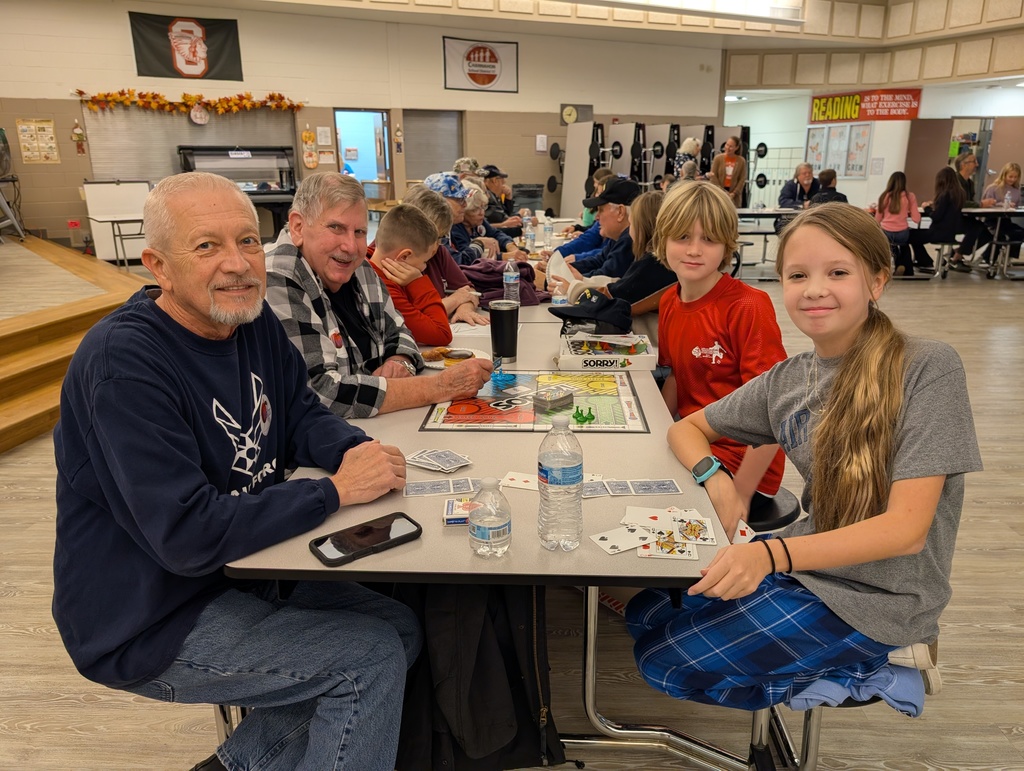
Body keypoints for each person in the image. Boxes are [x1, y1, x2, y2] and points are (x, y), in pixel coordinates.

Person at [52, 172, 422, 771]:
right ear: (158, 266)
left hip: (243, 571)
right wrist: (333, 492)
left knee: (399, 629)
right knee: (367, 657)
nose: (238, 264)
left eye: (248, 241)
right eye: (207, 246)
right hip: (150, 617)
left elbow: (301, 414)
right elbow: (187, 534)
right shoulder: (124, 364)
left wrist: (359, 453)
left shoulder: (250, 322)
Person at [627, 202, 981, 712]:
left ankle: (875, 664)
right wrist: (717, 478)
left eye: (838, 273)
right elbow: (686, 429)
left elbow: (906, 529)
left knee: (660, 661)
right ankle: (835, 666)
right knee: (644, 611)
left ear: (876, 282)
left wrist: (768, 555)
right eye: (798, 275)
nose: (814, 289)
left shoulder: (928, 366)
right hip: (810, 566)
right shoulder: (788, 380)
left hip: (880, 601)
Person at [265, 172, 492, 419]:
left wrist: (400, 361)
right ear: (298, 227)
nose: (351, 246)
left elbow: (400, 331)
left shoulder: (359, 266)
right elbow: (320, 392)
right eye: (336, 227)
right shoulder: (277, 276)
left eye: (360, 232)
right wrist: (440, 386)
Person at [653, 181, 788, 527]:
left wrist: (741, 492)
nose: (694, 250)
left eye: (709, 239)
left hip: (744, 463)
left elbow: (772, 412)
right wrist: (655, 434)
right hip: (694, 443)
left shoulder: (748, 306)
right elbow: (677, 377)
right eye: (682, 237)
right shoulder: (669, 301)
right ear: (662, 240)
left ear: (727, 246)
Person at [396, 184, 488, 326]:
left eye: (440, 238)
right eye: (432, 238)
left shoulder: (439, 251)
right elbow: (414, 318)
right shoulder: (392, 260)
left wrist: (465, 309)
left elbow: (469, 291)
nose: (436, 246)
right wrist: (455, 300)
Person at [368, 204, 453, 346]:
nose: (424, 267)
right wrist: (418, 282)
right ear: (404, 256)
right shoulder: (383, 289)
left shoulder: (371, 264)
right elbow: (442, 333)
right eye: (425, 261)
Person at [566, 177, 641, 278]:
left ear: (620, 212)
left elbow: (604, 276)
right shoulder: (617, 237)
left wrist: (569, 278)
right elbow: (599, 261)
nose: (596, 217)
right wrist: (565, 268)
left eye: (601, 210)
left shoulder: (628, 241)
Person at [450, 182, 529, 265]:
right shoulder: (455, 228)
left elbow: (496, 234)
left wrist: (510, 246)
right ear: (463, 211)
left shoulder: (478, 222)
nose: (482, 213)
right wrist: (504, 256)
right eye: (475, 209)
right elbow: (467, 257)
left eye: (483, 207)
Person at [909, 166, 966, 272]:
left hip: (938, 232)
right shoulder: (959, 194)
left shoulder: (945, 195)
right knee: (915, 235)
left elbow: (936, 217)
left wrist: (927, 208)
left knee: (910, 235)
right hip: (950, 233)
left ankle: (924, 261)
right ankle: (924, 260)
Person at [951, 151, 994, 265]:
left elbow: (969, 202)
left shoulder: (970, 183)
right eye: (974, 162)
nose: (977, 165)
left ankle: (958, 252)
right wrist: (980, 204)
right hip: (952, 218)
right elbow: (959, 202)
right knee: (976, 226)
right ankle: (957, 256)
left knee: (987, 233)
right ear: (963, 164)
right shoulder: (954, 181)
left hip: (964, 216)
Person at [872, 171, 920, 276]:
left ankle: (895, 266)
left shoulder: (884, 196)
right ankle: (906, 268)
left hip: (886, 232)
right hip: (903, 233)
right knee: (904, 246)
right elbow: (916, 219)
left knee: (891, 245)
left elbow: (877, 220)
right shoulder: (910, 196)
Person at [979, 161, 1024, 264]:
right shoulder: (993, 188)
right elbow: (986, 204)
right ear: (1004, 175)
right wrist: (1001, 204)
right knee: (1000, 236)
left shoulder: (1016, 190)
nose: (1013, 179)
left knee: (1019, 232)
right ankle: (987, 258)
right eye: (1010, 176)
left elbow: (1016, 206)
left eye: (1015, 177)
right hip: (991, 220)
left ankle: (1008, 257)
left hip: (1005, 220)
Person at [480, 163, 530, 235]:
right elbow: (506, 221)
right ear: (495, 181)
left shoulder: (494, 197)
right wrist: (524, 219)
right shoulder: (488, 198)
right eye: (502, 181)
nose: (504, 184)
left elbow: (505, 215)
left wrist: (508, 198)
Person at [776, 162, 820, 234]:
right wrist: (802, 204)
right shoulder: (790, 185)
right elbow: (783, 201)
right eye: (804, 173)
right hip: (792, 218)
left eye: (810, 173)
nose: (808, 175)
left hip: (812, 218)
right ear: (797, 176)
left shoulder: (817, 184)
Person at [708, 135, 747, 207]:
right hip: (719, 194)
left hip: (734, 196)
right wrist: (722, 191)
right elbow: (713, 176)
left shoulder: (741, 161)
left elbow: (742, 178)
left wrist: (734, 193)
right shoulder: (718, 158)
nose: (728, 148)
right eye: (727, 145)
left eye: (731, 146)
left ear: (736, 148)